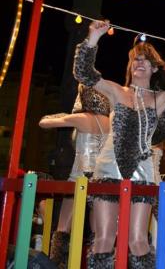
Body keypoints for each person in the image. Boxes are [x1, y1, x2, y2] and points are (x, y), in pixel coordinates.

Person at [73, 19, 165, 267]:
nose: (139, 62)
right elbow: (84, 73)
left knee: (138, 241)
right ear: (131, 66)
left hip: (143, 172)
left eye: (145, 60)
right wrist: (93, 38)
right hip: (107, 169)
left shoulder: (159, 99)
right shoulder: (116, 91)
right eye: (135, 59)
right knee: (104, 239)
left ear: (154, 69)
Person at [39, 85, 110, 268]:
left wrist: (62, 116)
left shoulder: (81, 118)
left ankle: (58, 264)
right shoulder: (109, 121)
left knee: (62, 229)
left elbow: (43, 123)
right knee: (98, 234)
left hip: (78, 178)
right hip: (100, 180)